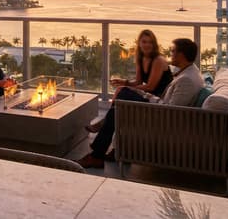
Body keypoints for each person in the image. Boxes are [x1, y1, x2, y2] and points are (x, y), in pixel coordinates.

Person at [76, 38, 204, 169]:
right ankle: (103, 151)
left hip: (161, 118)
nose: (170, 54)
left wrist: (147, 98)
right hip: (160, 109)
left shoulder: (186, 80)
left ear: (181, 55)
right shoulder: (190, 71)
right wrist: (144, 94)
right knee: (123, 95)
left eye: (173, 51)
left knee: (122, 98)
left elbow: (170, 111)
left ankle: (97, 155)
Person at [86, 29, 173, 133]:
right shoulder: (141, 58)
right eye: (144, 42)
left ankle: (105, 121)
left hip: (158, 97)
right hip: (149, 94)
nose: (147, 45)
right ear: (139, 43)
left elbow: (151, 87)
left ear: (154, 44)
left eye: (150, 42)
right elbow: (138, 82)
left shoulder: (158, 60)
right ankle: (106, 121)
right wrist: (124, 82)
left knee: (121, 92)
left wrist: (127, 88)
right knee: (120, 92)